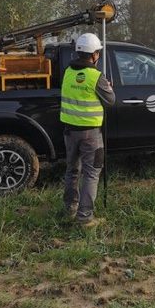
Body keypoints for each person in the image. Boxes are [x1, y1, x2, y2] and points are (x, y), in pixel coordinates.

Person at [60, 32, 115, 226]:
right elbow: (111, 100)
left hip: (69, 131)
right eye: (98, 52)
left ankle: (70, 209)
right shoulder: (96, 76)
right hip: (90, 133)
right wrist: (108, 86)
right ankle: (84, 218)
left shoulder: (68, 72)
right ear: (94, 55)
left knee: (72, 170)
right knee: (91, 173)